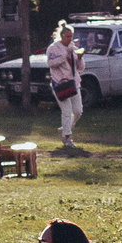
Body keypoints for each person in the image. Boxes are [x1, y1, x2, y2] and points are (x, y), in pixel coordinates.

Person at [45, 23, 85, 151]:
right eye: (67, 36)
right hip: (60, 83)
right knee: (67, 111)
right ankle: (67, 138)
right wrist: (65, 54)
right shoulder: (53, 48)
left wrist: (79, 58)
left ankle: (64, 129)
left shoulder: (72, 47)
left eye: (71, 37)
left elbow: (80, 68)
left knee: (78, 111)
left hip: (74, 83)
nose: (70, 39)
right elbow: (51, 63)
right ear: (61, 36)